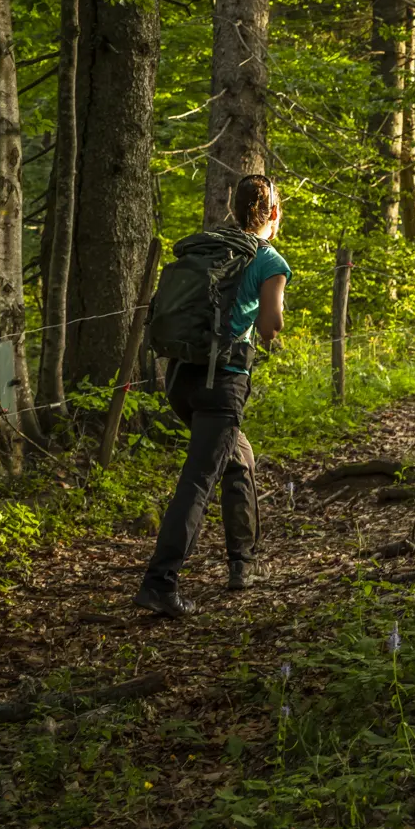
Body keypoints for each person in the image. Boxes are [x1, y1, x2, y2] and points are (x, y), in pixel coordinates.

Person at [134, 175, 291, 619]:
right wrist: (272, 326)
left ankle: (243, 563)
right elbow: (270, 326)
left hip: (181, 379)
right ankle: (159, 581)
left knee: (239, 456)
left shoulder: (206, 246)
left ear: (232, 206)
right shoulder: (268, 259)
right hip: (221, 382)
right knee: (199, 480)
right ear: (274, 213)